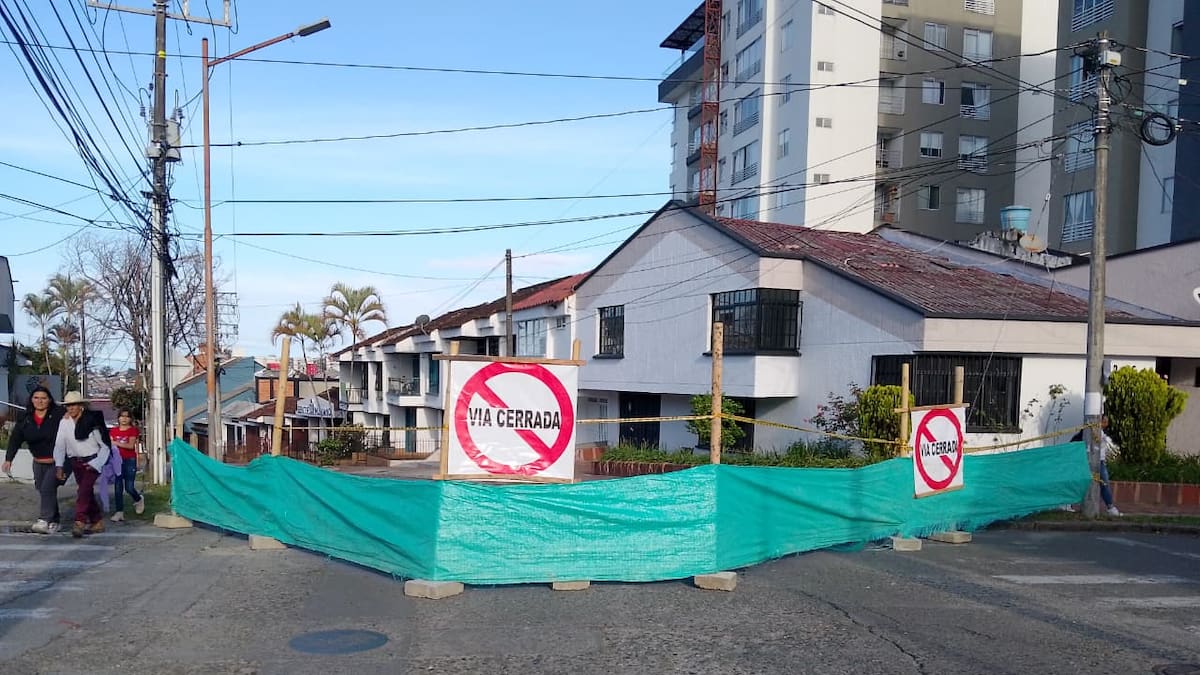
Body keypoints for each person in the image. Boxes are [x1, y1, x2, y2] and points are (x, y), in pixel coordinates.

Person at [2, 386, 67, 534]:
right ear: (31, 399)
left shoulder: (59, 414)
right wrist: (8, 459)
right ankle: (55, 520)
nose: (40, 401)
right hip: (38, 462)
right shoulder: (25, 418)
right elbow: (15, 439)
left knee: (47, 488)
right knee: (43, 489)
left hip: (59, 462)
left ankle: (44, 520)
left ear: (49, 400)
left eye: (43, 398)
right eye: (36, 397)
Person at [53, 391, 111, 538]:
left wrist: (96, 463)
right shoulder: (64, 422)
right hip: (76, 462)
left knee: (83, 492)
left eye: (74, 405)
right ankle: (97, 521)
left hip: (92, 461)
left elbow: (104, 446)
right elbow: (60, 445)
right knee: (87, 492)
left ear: (81, 406)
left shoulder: (92, 421)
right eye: (68, 406)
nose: (71, 409)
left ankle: (79, 521)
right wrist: (59, 465)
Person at [1071, 416, 1121, 517]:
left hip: (1100, 461)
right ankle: (1069, 503)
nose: (1107, 422)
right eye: (1105, 420)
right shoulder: (1089, 430)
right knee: (1084, 482)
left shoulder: (1101, 432)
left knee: (1104, 483)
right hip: (1087, 460)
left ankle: (1110, 507)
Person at [108, 409, 144, 522]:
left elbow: (130, 445)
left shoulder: (133, 431)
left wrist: (116, 443)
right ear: (118, 418)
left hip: (129, 460)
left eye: (127, 416)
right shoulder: (113, 431)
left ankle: (138, 499)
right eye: (122, 416)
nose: (124, 419)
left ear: (130, 419)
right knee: (118, 487)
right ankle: (119, 512)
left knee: (129, 487)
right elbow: (110, 445)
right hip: (116, 461)